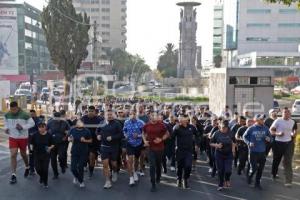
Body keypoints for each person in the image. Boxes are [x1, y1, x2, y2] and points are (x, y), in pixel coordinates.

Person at [4, 101, 35, 184]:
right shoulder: (7, 114)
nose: (13, 111)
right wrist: (6, 128)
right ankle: (13, 175)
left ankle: (27, 166)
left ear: (17, 108)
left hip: (23, 137)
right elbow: (5, 123)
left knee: (23, 154)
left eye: (14, 109)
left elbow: (32, 123)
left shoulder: (24, 114)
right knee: (13, 154)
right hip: (12, 137)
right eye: (11, 109)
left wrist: (23, 127)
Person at [142, 112, 169, 192]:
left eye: (156, 115)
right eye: (153, 115)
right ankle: (153, 184)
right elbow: (143, 133)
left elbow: (167, 134)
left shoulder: (161, 125)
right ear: (150, 116)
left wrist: (161, 139)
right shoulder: (146, 125)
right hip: (150, 148)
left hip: (160, 148)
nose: (154, 117)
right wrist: (144, 141)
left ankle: (158, 176)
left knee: (158, 164)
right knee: (152, 166)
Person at [270, 108, 297, 187]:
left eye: (288, 112)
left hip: (288, 143)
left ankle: (288, 181)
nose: (286, 113)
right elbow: (271, 131)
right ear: (282, 113)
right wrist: (278, 133)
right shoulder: (278, 121)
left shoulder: (293, 122)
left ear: (290, 114)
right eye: (285, 112)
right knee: (276, 160)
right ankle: (273, 173)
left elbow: (294, 130)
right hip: (278, 143)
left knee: (287, 162)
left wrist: (293, 134)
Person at [243, 114, 271, 190]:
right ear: (257, 120)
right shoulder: (251, 128)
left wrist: (268, 139)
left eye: (263, 119)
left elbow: (271, 138)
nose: (263, 121)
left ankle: (257, 183)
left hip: (262, 152)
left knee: (260, 169)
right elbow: (244, 137)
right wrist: (249, 143)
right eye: (261, 119)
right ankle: (250, 176)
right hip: (253, 152)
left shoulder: (266, 128)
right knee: (254, 168)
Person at [96, 110, 123, 189]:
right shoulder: (101, 123)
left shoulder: (117, 124)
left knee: (114, 164)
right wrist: (98, 135)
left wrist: (112, 137)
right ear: (105, 115)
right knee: (105, 165)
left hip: (114, 147)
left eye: (111, 114)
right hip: (104, 146)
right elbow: (97, 131)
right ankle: (107, 181)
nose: (109, 116)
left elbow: (121, 134)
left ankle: (114, 172)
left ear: (113, 115)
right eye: (108, 115)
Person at [172, 114, 198, 189]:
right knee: (180, 166)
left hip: (189, 151)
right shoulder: (177, 127)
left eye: (182, 118)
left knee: (188, 166)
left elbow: (197, 135)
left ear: (186, 119)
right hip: (180, 150)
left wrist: (196, 144)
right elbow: (172, 137)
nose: (180, 120)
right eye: (180, 118)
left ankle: (185, 179)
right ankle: (179, 179)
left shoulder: (192, 127)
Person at [210, 120, 235, 191]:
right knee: (220, 170)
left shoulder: (231, 133)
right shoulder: (216, 133)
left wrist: (233, 150)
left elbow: (234, 142)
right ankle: (220, 184)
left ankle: (227, 179)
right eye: (223, 128)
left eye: (226, 128)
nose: (224, 129)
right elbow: (211, 143)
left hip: (229, 154)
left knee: (228, 170)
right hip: (219, 154)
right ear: (219, 127)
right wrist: (217, 145)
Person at [123, 110, 145, 186]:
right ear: (129, 115)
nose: (132, 115)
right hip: (129, 144)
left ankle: (135, 172)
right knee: (130, 160)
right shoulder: (126, 122)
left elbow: (145, 133)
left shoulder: (141, 123)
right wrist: (125, 135)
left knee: (136, 161)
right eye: (131, 114)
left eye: (134, 114)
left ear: (136, 115)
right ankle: (131, 178)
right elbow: (124, 131)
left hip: (138, 144)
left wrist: (138, 136)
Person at [30, 122, 54, 188]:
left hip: (46, 155)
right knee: (38, 169)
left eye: (43, 127)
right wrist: (31, 150)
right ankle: (41, 177)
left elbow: (53, 144)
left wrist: (50, 147)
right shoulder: (35, 135)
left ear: (45, 127)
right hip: (37, 154)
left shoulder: (49, 135)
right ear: (38, 128)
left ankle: (45, 182)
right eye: (39, 127)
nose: (41, 128)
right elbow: (31, 143)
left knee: (45, 169)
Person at [68, 120, 92, 188]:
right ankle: (76, 176)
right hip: (74, 151)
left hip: (83, 151)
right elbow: (69, 138)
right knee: (73, 168)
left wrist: (85, 140)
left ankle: (81, 181)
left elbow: (90, 140)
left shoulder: (86, 131)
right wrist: (70, 139)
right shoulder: (72, 130)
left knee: (80, 167)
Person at [81, 106, 103, 178]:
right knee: (84, 157)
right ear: (87, 111)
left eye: (92, 111)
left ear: (95, 112)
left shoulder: (99, 119)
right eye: (89, 111)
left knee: (92, 157)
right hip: (84, 142)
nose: (90, 112)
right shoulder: (83, 118)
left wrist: (99, 135)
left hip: (94, 142)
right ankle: (85, 164)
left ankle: (91, 171)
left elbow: (102, 129)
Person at [47, 112, 70, 179]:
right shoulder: (50, 122)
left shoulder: (65, 122)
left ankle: (62, 166)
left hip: (62, 143)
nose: (57, 119)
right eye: (56, 118)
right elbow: (45, 130)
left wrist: (66, 136)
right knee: (53, 159)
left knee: (61, 156)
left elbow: (69, 130)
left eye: (59, 118)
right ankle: (55, 174)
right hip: (52, 143)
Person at [28, 110, 41, 175]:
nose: (32, 115)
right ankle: (31, 169)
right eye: (30, 114)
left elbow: (40, 129)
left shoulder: (38, 120)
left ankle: (39, 167)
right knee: (31, 154)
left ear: (35, 114)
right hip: (30, 141)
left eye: (33, 114)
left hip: (37, 140)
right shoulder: (27, 120)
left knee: (38, 154)